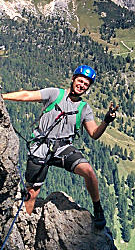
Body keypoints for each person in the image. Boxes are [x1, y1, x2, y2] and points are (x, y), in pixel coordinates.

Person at [2, 65, 118, 229]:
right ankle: (25, 223)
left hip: (63, 148)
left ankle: (98, 209)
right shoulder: (55, 94)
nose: (82, 85)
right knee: (32, 192)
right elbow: (27, 95)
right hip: (41, 145)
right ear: (73, 79)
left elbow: (94, 133)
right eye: (80, 81)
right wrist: (2, 97)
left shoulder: (84, 109)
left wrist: (106, 121)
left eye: (86, 84)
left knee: (89, 173)